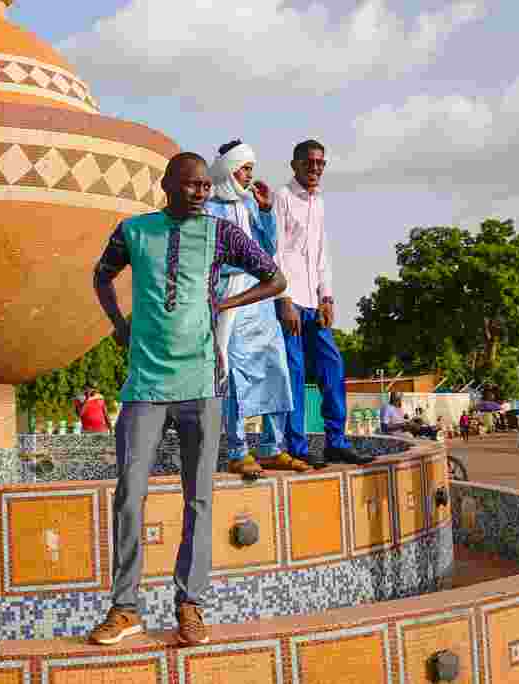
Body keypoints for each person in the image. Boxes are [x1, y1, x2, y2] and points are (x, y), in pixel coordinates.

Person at [90, 152, 287, 646]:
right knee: (129, 495)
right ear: (167, 185)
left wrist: (225, 302)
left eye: (204, 186)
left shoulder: (220, 232)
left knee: (198, 498)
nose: (200, 193)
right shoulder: (134, 231)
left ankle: (189, 602)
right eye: (191, 185)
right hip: (144, 386)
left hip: (202, 383)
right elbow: (101, 275)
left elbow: (275, 277)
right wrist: (119, 324)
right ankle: (124, 607)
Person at [271, 141, 372, 466]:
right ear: (294, 164)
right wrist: (283, 298)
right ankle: (297, 447)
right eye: (309, 163)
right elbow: (274, 250)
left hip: (315, 302)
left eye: (320, 163)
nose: (315, 169)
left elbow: (322, 255)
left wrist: (327, 295)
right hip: (289, 301)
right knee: (295, 374)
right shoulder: (281, 198)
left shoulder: (320, 202)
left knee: (333, 367)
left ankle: (336, 441)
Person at [205, 140, 301, 478]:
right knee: (232, 373)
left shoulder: (248, 204)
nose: (249, 176)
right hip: (229, 297)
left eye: (251, 169)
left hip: (259, 297)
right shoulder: (207, 208)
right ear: (229, 169)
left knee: (275, 367)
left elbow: (268, 248)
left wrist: (264, 210)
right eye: (244, 169)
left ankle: (272, 448)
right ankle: (237, 450)